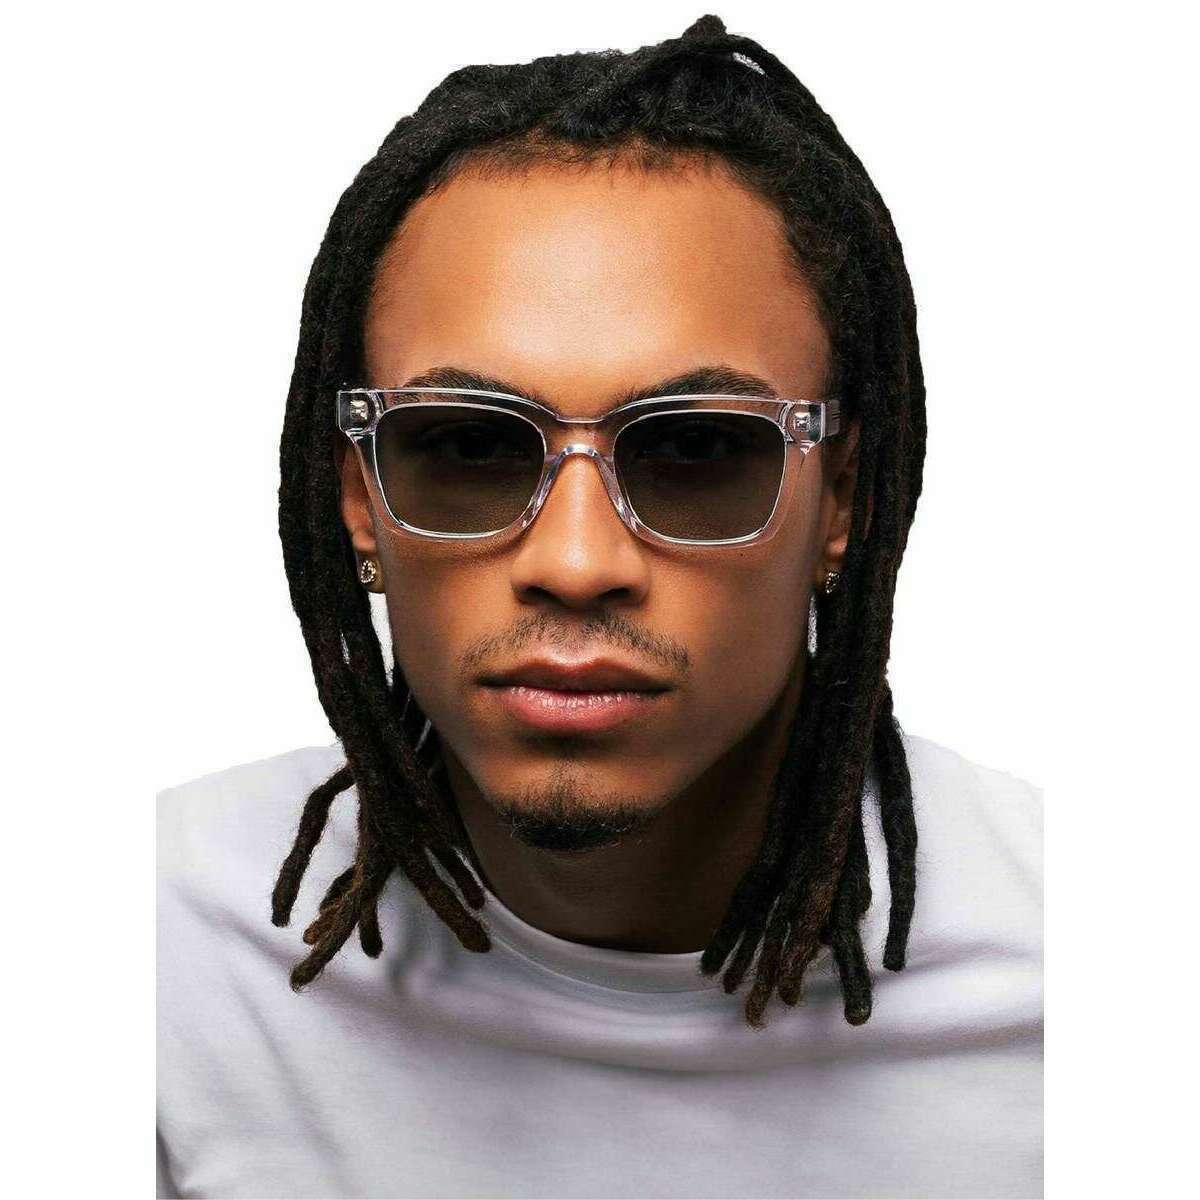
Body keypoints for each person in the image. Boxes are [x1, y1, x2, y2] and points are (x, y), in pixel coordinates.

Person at [157, 13, 1043, 1198]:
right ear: (358, 500)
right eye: (468, 445)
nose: (577, 561)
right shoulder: (155, 957)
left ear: (845, 499)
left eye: (697, 451)